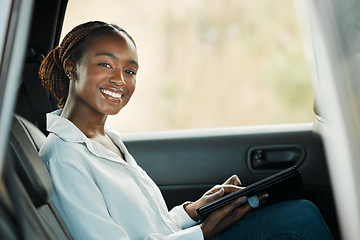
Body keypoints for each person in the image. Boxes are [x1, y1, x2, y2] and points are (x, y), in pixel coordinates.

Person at [39, 21, 333, 240]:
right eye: (105, 64)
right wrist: (203, 232)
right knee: (299, 219)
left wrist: (194, 210)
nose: (120, 80)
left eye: (130, 71)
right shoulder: (64, 156)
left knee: (299, 211)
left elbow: (151, 227)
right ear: (70, 67)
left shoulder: (105, 140)